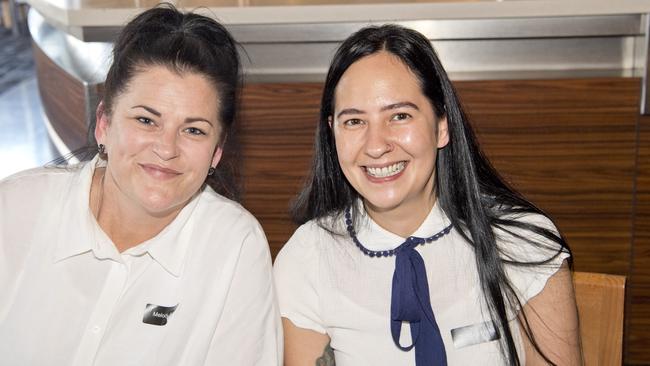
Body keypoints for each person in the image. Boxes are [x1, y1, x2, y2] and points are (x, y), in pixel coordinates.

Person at [274, 24, 581, 366]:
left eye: (399, 116)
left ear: (441, 126)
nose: (376, 146)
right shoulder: (308, 257)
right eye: (354, 122)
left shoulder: (521, 242)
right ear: (332, 132)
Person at [0, 4, 281, 365]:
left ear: (216, 152)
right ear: (104, 123)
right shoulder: (17, 208)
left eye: (193, 130)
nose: (166, 148)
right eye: (147, 120)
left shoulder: (233, 246)